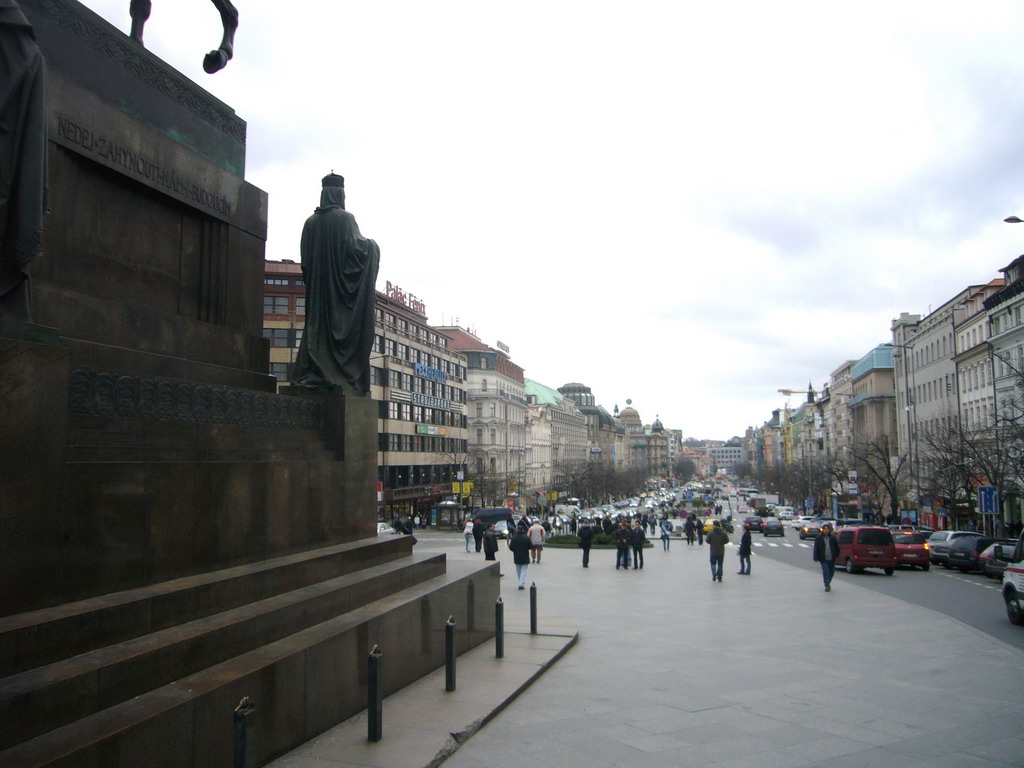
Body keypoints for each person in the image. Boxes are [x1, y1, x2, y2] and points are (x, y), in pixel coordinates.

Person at [292, 173, 380, 395]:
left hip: (318, 298)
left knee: (317, 333)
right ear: (340, 193)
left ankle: (318, 370)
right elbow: (358, 249)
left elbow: (305, 264)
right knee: (344, 337)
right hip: (341, 299)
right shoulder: (344, 219)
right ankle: (341, 376)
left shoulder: (310, 223)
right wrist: (373, 246)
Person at [813, 522, 840, 592]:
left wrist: (837, 554)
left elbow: (837, 547)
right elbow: (816, 548)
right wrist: (815, 557)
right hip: (823, 558)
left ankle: (828, 582)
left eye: (827, 529)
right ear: (822, 530)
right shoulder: (819, 538)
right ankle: (827, 585)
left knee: (831, 571)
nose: (826, 530)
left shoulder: (833, 538)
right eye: (825, 529)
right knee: (826, 571)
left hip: (831, 558)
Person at [507, 523, 532, 589]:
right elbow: (531, 546)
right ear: (523, 530)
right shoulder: (526, 538)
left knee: (518, 570)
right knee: (523, 570)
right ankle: (521, 583)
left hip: (516, 556)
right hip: (525, 555)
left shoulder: (514, 538)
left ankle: (521, 582)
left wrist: (515, 550)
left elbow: (510, 547)